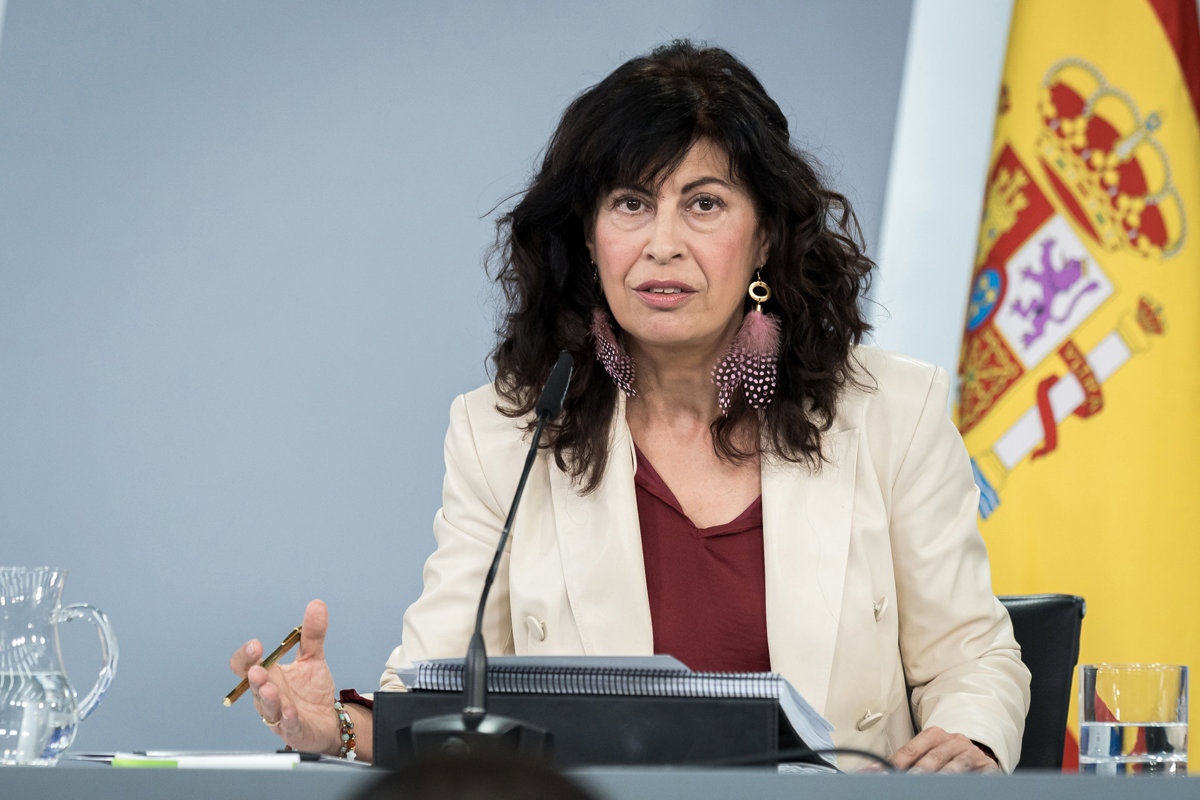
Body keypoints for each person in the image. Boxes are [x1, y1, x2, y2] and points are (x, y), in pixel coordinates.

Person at [230, 40, 1031, 773]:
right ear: (588, 237)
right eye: (630, 203)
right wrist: (336, 725)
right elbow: (439, 695)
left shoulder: (894, 413)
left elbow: (973, 657)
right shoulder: (508, 434)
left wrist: (970, 742)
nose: (662, 244)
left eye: (704, 203)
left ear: (764, 237)